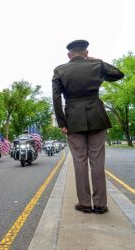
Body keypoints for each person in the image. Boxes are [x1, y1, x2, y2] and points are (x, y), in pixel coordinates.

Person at [52, 40, 124, 214]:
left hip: (73, 120)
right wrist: (96, 60)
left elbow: (56, 98)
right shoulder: (96, 64)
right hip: (96, 116)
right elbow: (118, 74)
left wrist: (62, 122)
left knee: (79, 162)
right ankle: (100, 204)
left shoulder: (60, 70)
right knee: (97, 162)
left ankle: (84, 203)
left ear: (69, 55)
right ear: (86, 52)